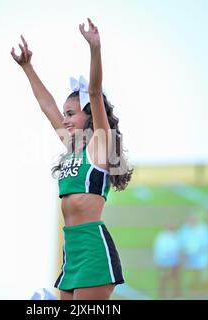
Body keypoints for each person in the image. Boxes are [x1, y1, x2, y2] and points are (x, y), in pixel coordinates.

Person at [11, 18, 133, 300]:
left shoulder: (99, 146)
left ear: (89, 114)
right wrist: (28, 68)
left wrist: (95, 48)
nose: (64, 120)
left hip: (92, 249)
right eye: (65, 114)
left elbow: (93, 91)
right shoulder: (71, 146)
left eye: (71, 114)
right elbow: (47, 105)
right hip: (72, 248)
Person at [178, 213, 208, 299]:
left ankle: (206, 293)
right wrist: (183, 253)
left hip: (202, 258)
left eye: (193, 220)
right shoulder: (184, 229)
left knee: (205, 277)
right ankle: (194, 293)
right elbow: (181, 242)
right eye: (190, 220)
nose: (191, 222)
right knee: (193, 277)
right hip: (190, 259)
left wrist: (199, 251)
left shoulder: (204, 228)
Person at [152, 223, 182, 299]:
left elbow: (179, 248)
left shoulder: (176, 236)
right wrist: (158, 261)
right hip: (164, 262)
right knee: (163, 278)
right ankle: (162, 294)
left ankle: (176, 294)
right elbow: (158, 249)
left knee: (175, 279)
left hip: (175, 262)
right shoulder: (162, 237)